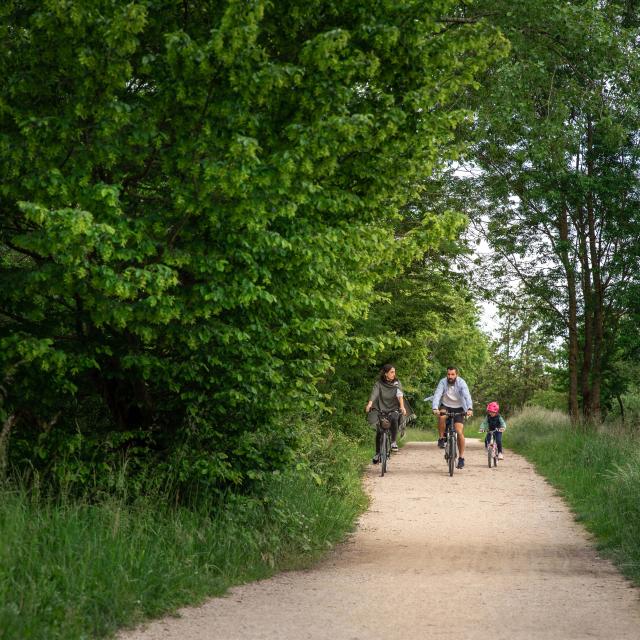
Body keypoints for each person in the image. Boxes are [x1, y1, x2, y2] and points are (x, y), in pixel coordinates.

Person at [431, 366, 473, 469]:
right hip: (446, 405)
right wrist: (435, 408)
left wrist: (470, 408)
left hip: (459, 408)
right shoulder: (443, 382)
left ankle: (461, 458)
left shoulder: (461, 383)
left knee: (459, 432)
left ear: (456, 375)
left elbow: (467, 396)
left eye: (452, 374)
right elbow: (437, 395)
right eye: (448, 374)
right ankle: (441, 438)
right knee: (442, 416)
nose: (450, 376)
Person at [365, 364, 407, 464]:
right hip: (381, 408)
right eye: (392, 372)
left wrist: (402, 407)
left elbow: (400, 395)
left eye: (394, 372)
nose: (394, 374)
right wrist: (370, 404)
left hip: (393, 408)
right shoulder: (379, 383)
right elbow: (374, 393)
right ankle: (377, 453)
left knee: (394, 417)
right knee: (380, 431)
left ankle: (393, 442)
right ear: (385, 373)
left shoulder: (396, 383)